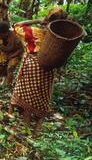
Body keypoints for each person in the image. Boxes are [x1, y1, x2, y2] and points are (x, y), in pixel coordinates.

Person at [9, 7, 68, 137]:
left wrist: (37, 20)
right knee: (42, 98)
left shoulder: (35, 32)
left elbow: (16, 25)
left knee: (27, 98)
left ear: (47, 19)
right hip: (49, 71)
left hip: (32, 67)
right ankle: (37, 131)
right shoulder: (61, 40)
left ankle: (25, 129)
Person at [0, 22, 23, 93]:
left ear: (6, 33)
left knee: (10, 68)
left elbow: (21, 49)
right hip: (3, 53)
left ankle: (10, 88)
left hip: (15, 53)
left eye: (0, 35)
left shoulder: (15, 37)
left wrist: (12, 56)